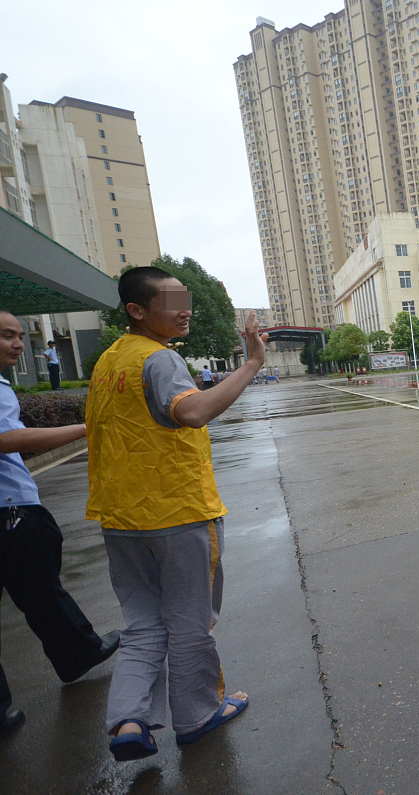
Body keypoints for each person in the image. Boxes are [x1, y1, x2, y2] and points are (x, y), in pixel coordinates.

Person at [86, 267, 266, 761]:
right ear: (137, 311)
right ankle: (197, 714)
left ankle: (127, 720)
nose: (184, 309)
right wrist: (251, 364)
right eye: (171, 302)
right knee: (190, 620)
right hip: (178, 512)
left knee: (143, 623)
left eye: (184, 300)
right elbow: (191, 413)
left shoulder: (108, 362)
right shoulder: (160, 360)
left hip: (121, 517)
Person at [0, 310, 120, 738]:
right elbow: (5, 439)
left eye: (18, 336)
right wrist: (86, 429)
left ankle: (78, 653)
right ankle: (78, 653)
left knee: (43, 591)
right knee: (42, 589)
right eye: (5, 336)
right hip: (11, 510)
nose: (16, 344)